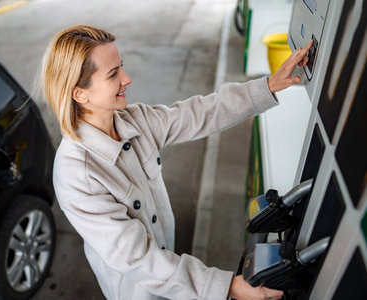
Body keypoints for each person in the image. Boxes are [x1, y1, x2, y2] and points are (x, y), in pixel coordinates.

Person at [40, 25, 312, 300]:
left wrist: (268, 86)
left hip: (173, 270)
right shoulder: (77, 174)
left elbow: (200, 113)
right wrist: (227, 286)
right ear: (79, 94)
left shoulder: (134, 120)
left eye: (121, 67)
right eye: (113, 74)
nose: (127, 78)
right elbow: (139, 259)